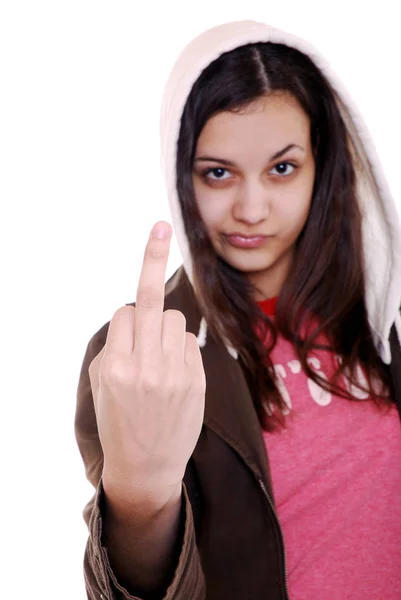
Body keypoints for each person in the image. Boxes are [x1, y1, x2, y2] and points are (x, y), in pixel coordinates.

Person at [74, 19, 401, 600]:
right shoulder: (140, 354)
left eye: (281, 168)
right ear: (181, 176)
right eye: (218, 173)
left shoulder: (386, 314)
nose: (252, 209)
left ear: (322, 165)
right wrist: (141, 494)